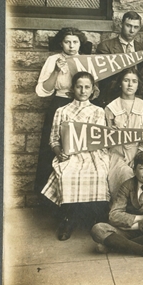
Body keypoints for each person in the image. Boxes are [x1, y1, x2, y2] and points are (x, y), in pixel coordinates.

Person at [41, 71, 110, 241]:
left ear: (92, 90)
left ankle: (94, 218)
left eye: (87, 87)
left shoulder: (98, 111)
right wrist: (59, 153)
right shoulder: (62, 111)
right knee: (67, 173)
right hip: (69, 154)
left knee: (99, 173)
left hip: (92, 153)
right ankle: (68, 219)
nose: (83, 90)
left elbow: (100, 139)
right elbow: (54, 139)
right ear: (73, 88)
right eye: (79, 86)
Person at [33, 27, 94, 196]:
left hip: (81, 106)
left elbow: (94, 89)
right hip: (59, 105)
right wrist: (56, 71)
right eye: (67, 42)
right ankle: (48, 196)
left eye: (75, 42)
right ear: (61, 43)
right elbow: (43, 90)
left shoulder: (86, 60)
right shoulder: (54, 60)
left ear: (80, 44)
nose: (71, 46)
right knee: (54, 146)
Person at [89, 150, 143, 260]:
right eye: (141, 168)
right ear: (134, 170)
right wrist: (142, 217)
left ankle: (114, 247)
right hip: (127, 230)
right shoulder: (127, 186)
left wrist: (140, 225)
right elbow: (114, 215)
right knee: (98, 229)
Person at [104, 68, 143, 192]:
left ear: (138, 84)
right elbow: (106, 138)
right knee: (123, 173)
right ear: (120, 83)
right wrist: (111, 133)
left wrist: (139, 156)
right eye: (126, 80)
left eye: (134, 81)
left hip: (139, 151)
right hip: (117, 152)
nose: (130, 84)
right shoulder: (111, 107)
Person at [94, 11, 143, 106]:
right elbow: (104, 77)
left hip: (137, 97)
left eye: (135, 27)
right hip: (113, 97)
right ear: (121, 25)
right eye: (128, 26)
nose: (132, 30)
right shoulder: (106, 46)